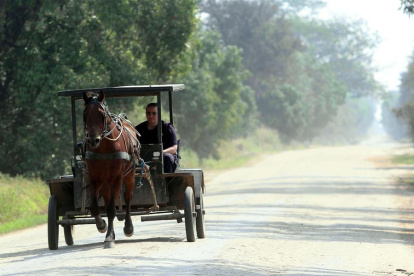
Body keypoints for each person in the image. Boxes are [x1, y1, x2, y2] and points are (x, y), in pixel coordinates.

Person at [135, 103, 178, 173]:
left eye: (154, 113)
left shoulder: (167, 128)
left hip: (163, 157)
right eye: (148, 113)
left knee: (167, 158)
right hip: (143, 158)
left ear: (159, 115)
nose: (151, 116)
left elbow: (174, 149)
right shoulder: (139, 129)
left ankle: (166, 182)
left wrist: (160, 153)